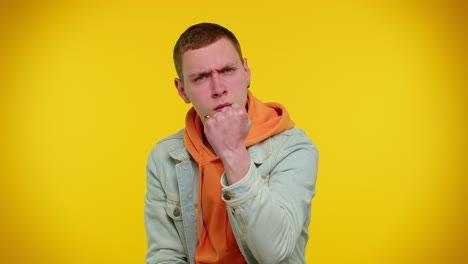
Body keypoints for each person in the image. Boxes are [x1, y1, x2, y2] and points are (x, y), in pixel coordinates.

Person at [144, 22, 319, 264]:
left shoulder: (293, 148)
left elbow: (274, 252)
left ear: (246, 72)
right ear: (182, 89)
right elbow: (165, 255)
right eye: (201, 77)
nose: (218, 89)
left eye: (227, 70)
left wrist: (233, 151)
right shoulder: (165, 156)